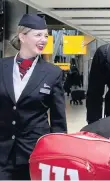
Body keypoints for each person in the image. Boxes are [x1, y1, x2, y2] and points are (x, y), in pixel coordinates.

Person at [0, 14, 67, 180]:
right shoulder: (2, 67)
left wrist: (58, 154)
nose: (44, 40)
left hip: (34, 154)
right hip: (2, 153)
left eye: (46, 35)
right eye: (38, 35)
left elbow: (59, 120)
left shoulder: (53, 73)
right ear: (22, 36)